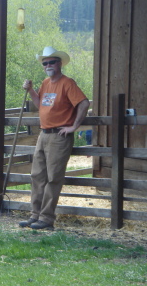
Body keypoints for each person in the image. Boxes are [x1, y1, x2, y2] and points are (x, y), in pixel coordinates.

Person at [19, 46, 90, 230]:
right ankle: (35, 215)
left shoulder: (67, 83)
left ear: (59, 63)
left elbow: (84, 102)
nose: (48, 65)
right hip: (44, 134)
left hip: (59, 136)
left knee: (53, 178)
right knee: (37, 175)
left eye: (52, 62)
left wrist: (74, 126)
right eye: (45, 63)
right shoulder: (45, 83)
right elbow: (41, 104)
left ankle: (47, 218)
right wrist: (32, 90)